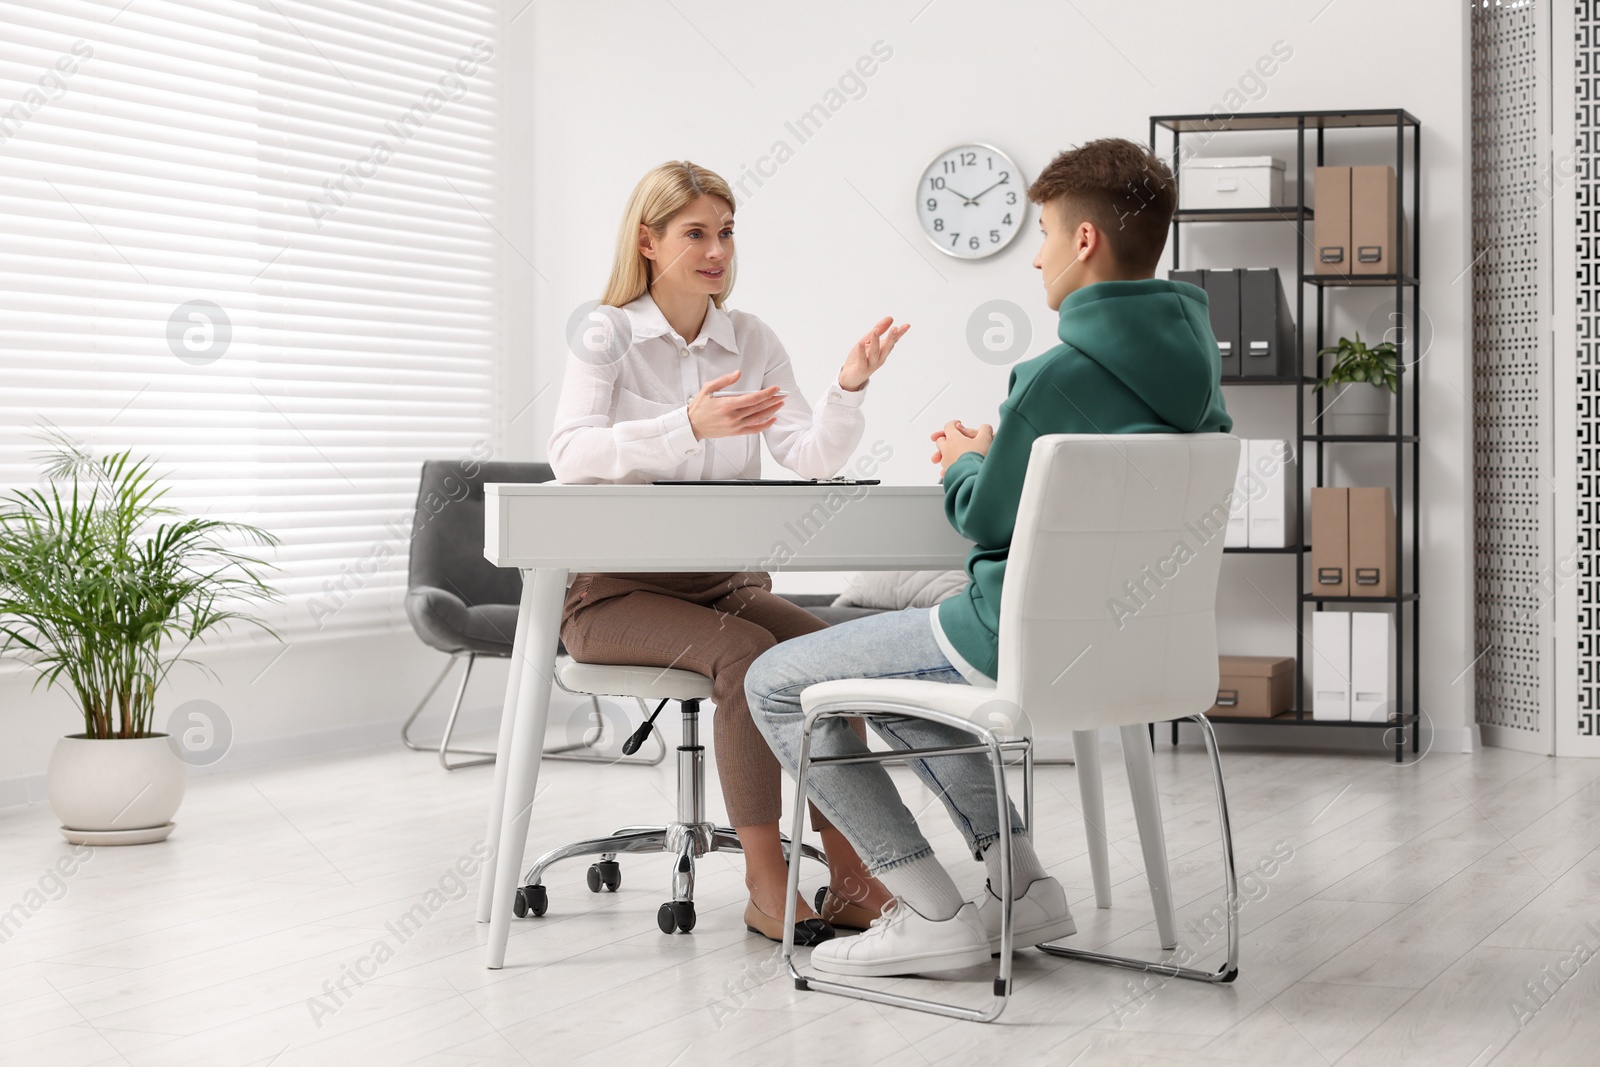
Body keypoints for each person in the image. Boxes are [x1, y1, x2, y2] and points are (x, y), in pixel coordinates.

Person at [747, 138, 1234, 977]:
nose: (1037, 253)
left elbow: (983, 517)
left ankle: (929, 909)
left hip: (1007, 635)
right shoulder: (1199, 373)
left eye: (1043, 230)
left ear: (1084, 241)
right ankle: (1022, 885)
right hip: (1135, 655)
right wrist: (1004, 446)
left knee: (775, 683)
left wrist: (968, 457)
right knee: (903, 693)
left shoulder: (1054, 376)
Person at [548, 160, 906, 945]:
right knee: (747, 655)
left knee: (830, 657)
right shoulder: (606, 332)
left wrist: (847, 388)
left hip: (724, 585)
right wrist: (686, 426)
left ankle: (851, 876)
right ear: (648, 240)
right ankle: (764, 881)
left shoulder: (749, 338)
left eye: (727, 232)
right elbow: (569, 453)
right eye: (696, 233)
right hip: (614, 596)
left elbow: (809, 454)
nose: (717, 250)